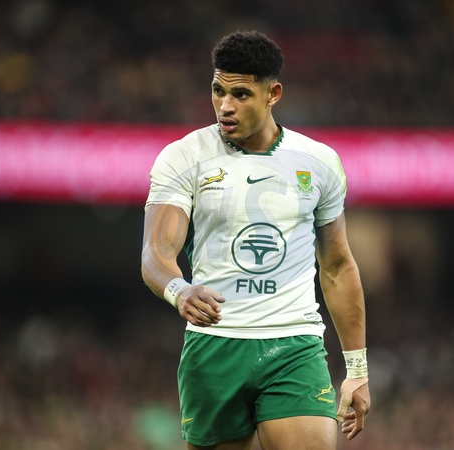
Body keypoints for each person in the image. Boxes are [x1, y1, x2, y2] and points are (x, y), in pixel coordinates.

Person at [141, 30, 370, 450]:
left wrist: (357, 369)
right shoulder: (184, 157)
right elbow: (156, 251)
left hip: (294, 343)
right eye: (218, 90)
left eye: (241, 94)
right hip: (215, 345)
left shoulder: (318, 162)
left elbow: (337, 267)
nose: (225, 106)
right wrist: (179, 290)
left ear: (272, 94)